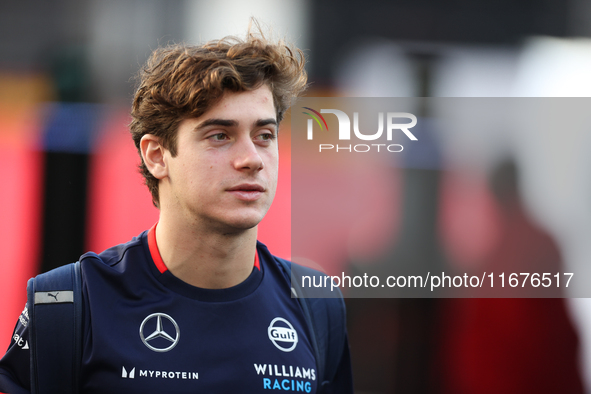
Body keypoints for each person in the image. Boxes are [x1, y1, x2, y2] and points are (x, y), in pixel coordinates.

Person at [0, 25, 353, 393]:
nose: (252, 159)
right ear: (157, 156)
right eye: (220, 135)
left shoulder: (317, 305)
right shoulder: (67, 305)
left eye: (264, 136)